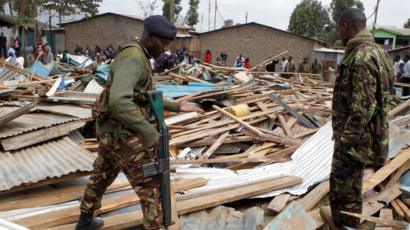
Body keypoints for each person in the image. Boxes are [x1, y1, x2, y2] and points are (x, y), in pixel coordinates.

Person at [75, 15, 204, 230]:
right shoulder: (134, 58)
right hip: (125, 136)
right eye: (163, 43)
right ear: (150, 36)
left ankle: (85, 221)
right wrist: (148, 132)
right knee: (151, 187)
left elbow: (143, 92)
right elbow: (119, 101)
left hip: (112, 132)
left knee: (101, 176)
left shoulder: (138, 54)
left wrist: (175, 105)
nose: (165, 49)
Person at [326, 8, 394, 229]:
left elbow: (363, 107)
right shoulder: (379, 53)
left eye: (340, 30)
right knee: (352, 188)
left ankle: (347, 226)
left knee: (343, 190)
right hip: (369, 136)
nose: (340, 35)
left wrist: (345, 141)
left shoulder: (361, 57)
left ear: (346, 27)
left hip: (356, 141)